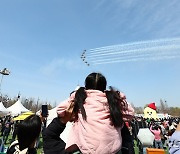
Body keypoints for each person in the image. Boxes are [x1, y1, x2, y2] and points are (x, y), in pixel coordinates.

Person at [57, 72, 134, 153]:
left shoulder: (81, 99)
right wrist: (118, 97)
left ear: (86, 86)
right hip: (113, 150)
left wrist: (75, 97)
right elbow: (130, 113)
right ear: (104, 86)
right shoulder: (112, 100)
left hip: (87, 150)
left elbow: (60, 110)